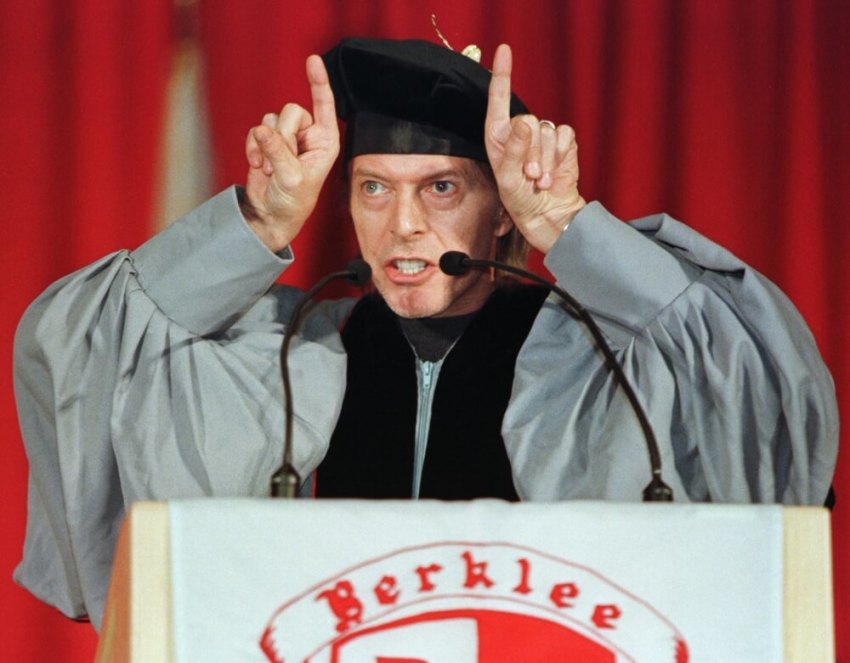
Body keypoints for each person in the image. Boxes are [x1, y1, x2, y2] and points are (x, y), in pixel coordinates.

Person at [12, 38, 837, 629]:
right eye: (373, 188)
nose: (403, 225)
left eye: (441, 187)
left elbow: (763, 384)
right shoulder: (286, 354)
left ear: (501, 213)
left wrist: (570, 226)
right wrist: (254, 224)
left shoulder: (601, 359)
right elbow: (76, 346)